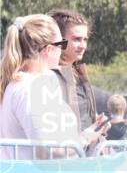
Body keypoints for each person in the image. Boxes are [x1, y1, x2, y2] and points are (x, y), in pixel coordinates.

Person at [1, 14, 107, 159]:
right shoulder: (32, 88)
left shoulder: (19, 83)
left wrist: (86, 134)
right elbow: (50, 150)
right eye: (61, 44)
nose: (62, 50)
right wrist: (86, 138)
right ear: (49, 49)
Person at [48, 9, 108, 131]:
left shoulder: (77, 72)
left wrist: (95, 123)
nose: (83, 46)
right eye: (77, 39)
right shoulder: (51, 76)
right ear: (60, 40)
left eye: (85, 39)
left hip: (85, 148)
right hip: (70, 148)